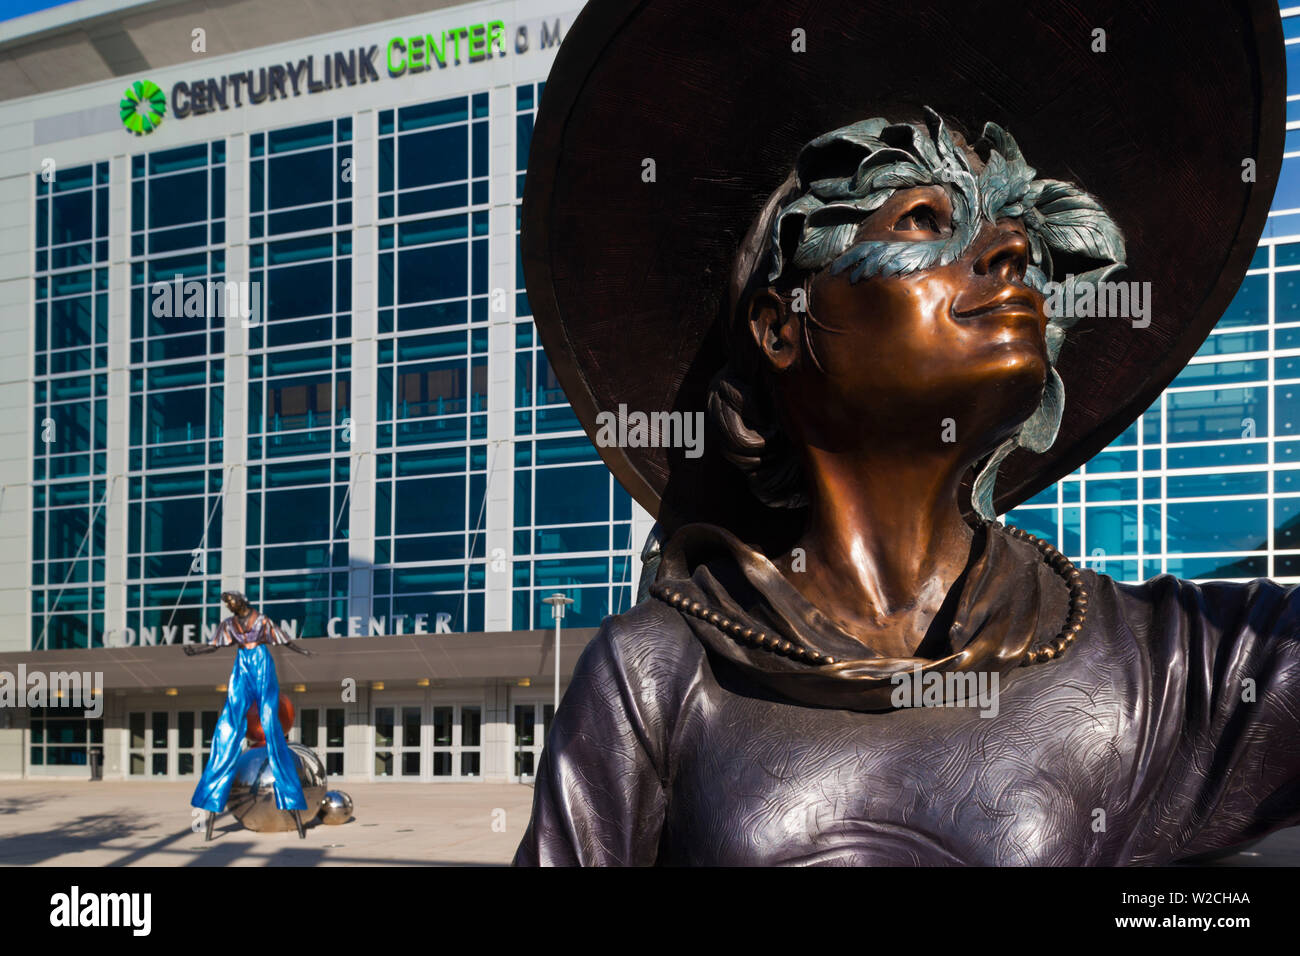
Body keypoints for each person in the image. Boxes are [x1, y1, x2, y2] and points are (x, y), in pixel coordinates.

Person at [512, 0, 1291, 864]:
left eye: (1023, 236)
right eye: (924, 218)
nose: (1009, 255)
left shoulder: (1163, 666)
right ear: (781, 327)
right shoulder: (657, 676)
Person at [186, 590, 313, 840]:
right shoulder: (229, 625)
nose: (231, 606)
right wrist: (197, 651)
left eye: (233, 601)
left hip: (261, 661)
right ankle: (211, 795)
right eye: (228, 604)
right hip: (242, 663)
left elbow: (283, 639)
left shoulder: (262, 620)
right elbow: (213, 645)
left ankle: (290, 796)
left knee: (270, 721)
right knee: (229, 723)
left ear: (242, 600)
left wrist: (303, 651)